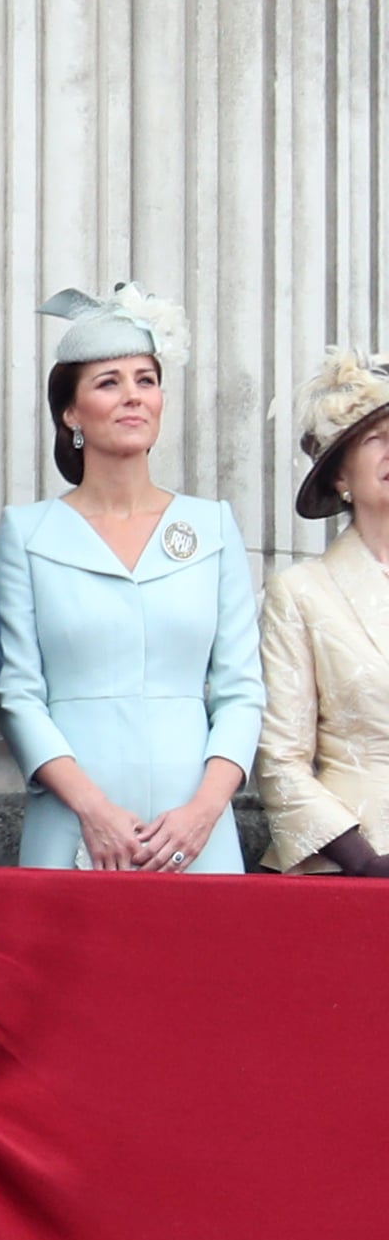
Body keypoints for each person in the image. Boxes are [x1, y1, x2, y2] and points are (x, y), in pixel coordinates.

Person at [0, 284, 263, 872]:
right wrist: (93, 811)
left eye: (146, 379)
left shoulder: (211, 526)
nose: (133, 397)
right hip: (73, 826)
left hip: (196, 831)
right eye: (108, 382)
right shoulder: (27, 532)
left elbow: (242, 692)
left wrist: (203, 811)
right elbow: (18, 694)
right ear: (71, 412)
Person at [256, 348, 389, 875]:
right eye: (376, 439)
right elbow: (280, 760)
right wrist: (366, 865)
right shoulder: (300, 591)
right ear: (340, 477)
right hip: (356, 862)